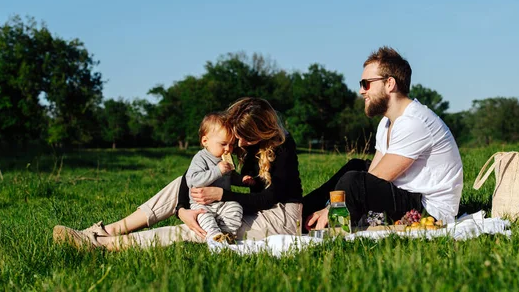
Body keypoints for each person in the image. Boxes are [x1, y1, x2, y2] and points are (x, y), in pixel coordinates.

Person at [53, 97, 303, 250]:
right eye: (236, 136)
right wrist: (183, 209)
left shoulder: (282, 146)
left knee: (203, 230)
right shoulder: (236, 139)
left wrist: (222, 195)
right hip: (251, 208)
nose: (238, 143)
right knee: (182, 185)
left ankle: (105, 245)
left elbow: (269, 199)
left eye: (245, 138)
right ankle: (109, 230)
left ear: (262, 132)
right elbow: (191, 175)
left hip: (280, 218)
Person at [304, 46, 463, 230]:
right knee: (355, 167)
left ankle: (325, 221)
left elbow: (378, 178)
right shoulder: (387, 123)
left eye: (366, 83)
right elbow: (371, 175)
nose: (361, 91)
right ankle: (298, 211)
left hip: (430, 209)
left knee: (353, 183)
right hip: (407, 193)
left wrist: (332, 206)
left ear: (389, 83)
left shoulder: (414, 122)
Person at [185, 112, 252, 243]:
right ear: (205, 141)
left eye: (231, 144)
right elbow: (193, 180)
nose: (228, 149)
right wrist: (217, 171)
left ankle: (227, 233)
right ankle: (215, 237)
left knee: (236, 208)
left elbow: (230, 177)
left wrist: (242, 180)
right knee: (205, 217)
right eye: (223, 144)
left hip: (222, 202)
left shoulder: (225, 158)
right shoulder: (201, 158)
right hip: (202, 204)